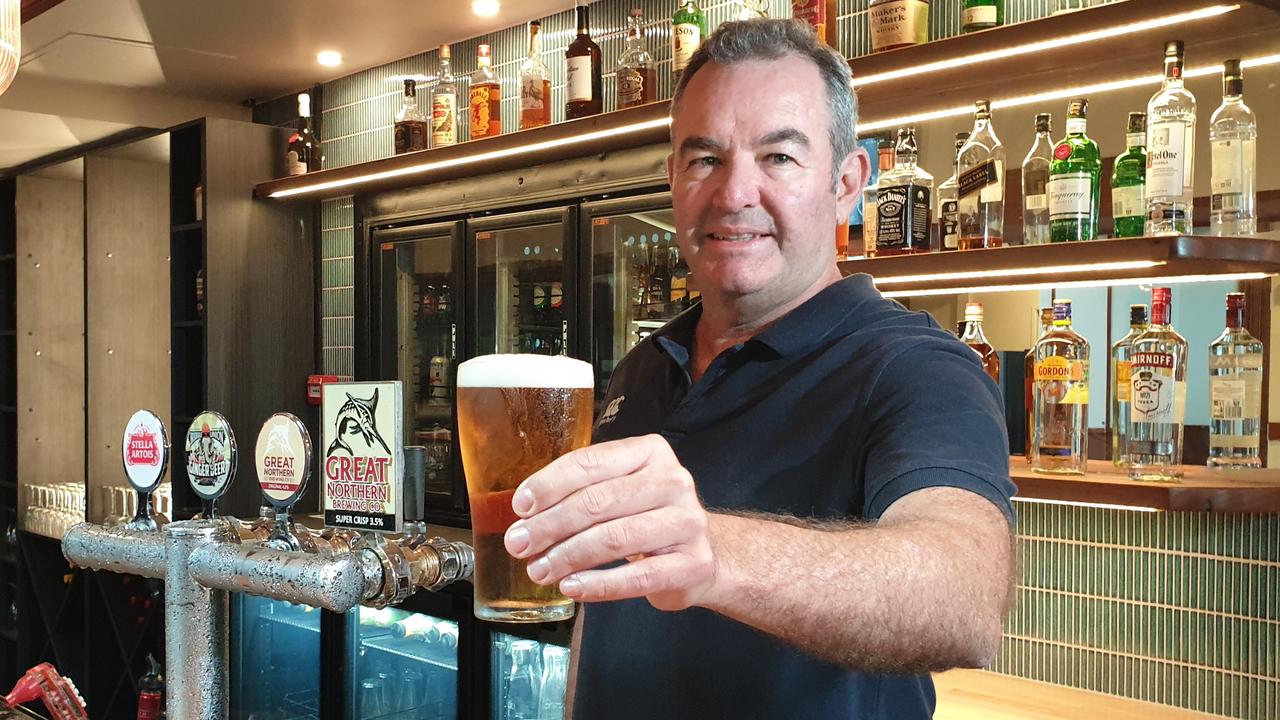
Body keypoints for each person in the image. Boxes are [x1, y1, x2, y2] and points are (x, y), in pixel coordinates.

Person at [501, 18, 1016, 719]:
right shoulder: (640, 370)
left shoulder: (915, 367)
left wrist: (711, 551)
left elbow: (964, 594)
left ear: (847, 183)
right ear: (674, 179)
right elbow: (607, 617)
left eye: (778, 157)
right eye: (704, 158)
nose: (733, 193)